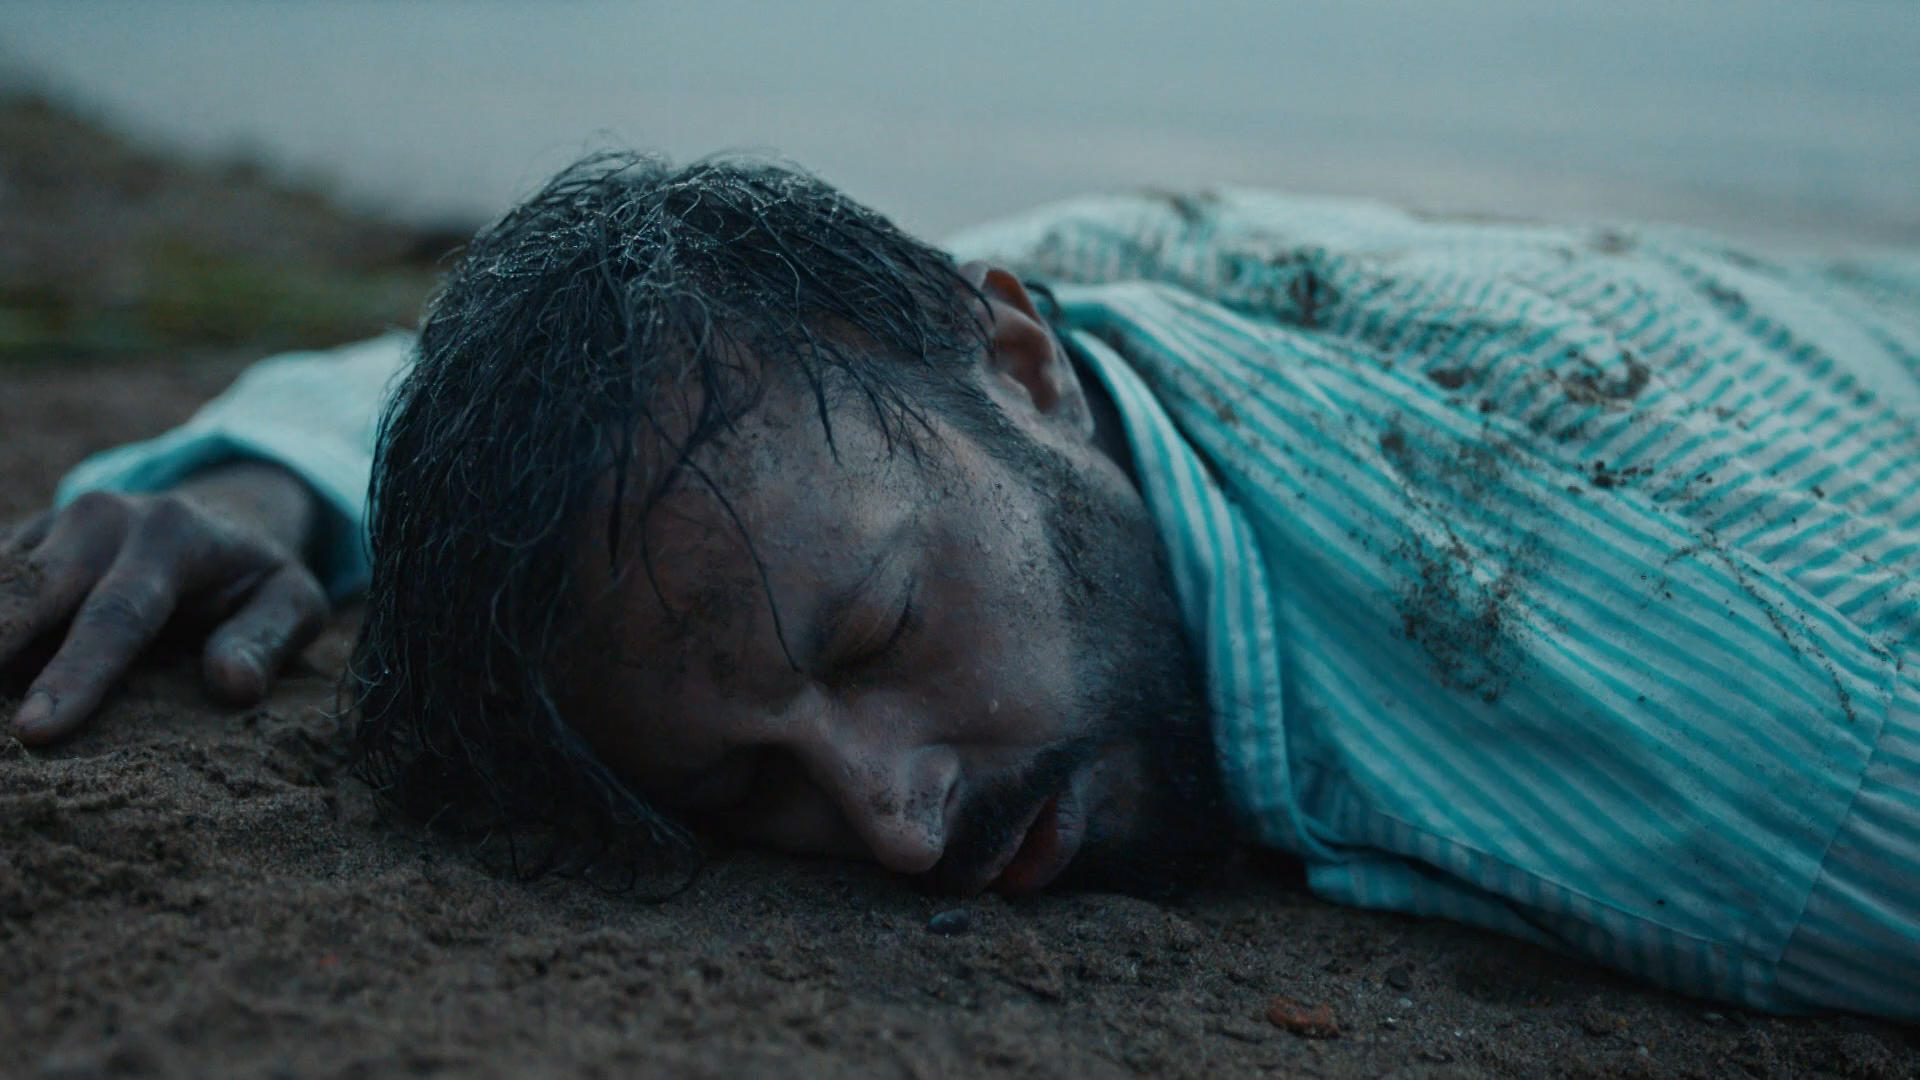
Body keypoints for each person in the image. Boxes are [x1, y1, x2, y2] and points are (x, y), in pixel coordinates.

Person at [3, 154, 1917, 1018]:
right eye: (746, 788)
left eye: (877, 637)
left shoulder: (1775, 761)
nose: (898, 825)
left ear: (1018, 367)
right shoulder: (956, 346)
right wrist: (262, 470)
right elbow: (644, 390)